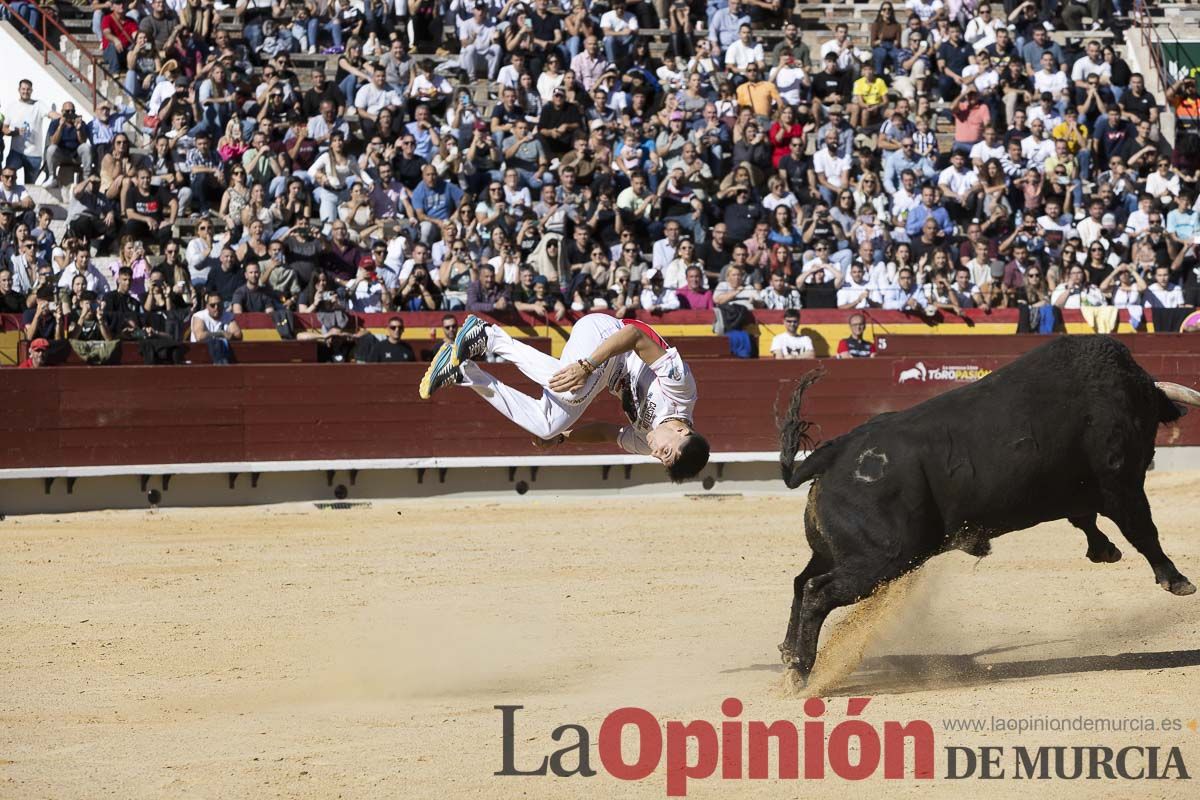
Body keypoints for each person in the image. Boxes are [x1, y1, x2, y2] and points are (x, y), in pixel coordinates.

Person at [419, 314, 710, 481]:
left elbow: (608, 432)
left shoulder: (648, 443)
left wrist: (563, 437)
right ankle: (488, 337)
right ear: (681, 431)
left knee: (546, 425)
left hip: (602, 375)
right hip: (606, 336)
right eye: (667, 453)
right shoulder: (680, 390)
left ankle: (464, 373)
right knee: (573, 388)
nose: (657, 455)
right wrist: (587, 365)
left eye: (662, 461)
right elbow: (634, 334)